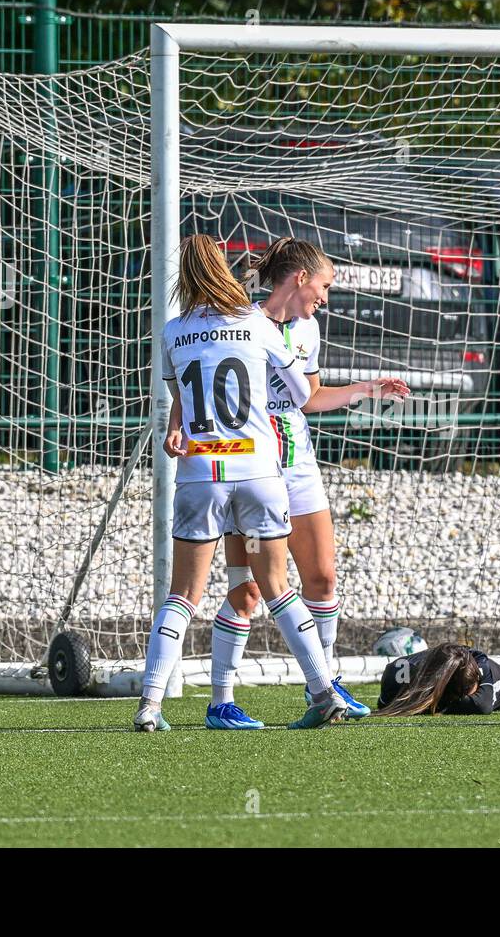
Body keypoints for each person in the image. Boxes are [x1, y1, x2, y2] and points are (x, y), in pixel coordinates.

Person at [135, 234, 344, 732]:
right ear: (225, 271)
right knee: (276, 587)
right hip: (258, 473)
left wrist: (174, 429)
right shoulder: (256, 322)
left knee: (183, 594)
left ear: (183, 277)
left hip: (202, 473)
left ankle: (149, 706)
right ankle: (322, 691)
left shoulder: (171, 331)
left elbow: (180, 405)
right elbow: (298, 394)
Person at [202, 237, 409, 730]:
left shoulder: (308, 330)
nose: (327, 296)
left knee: (322, 579)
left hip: (298, 470)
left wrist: (365, 389)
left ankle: (324, 680)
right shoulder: (239, 322)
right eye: (325, 284)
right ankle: (221, 701)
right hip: (249, 469)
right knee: (248, 590)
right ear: (299, 278)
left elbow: (308, 398)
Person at [375, 641, 500, 716]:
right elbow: (383, 703)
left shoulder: (483, 695)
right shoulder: (396, 674)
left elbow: (482, 705)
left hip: (488, 672)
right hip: (447, 659)